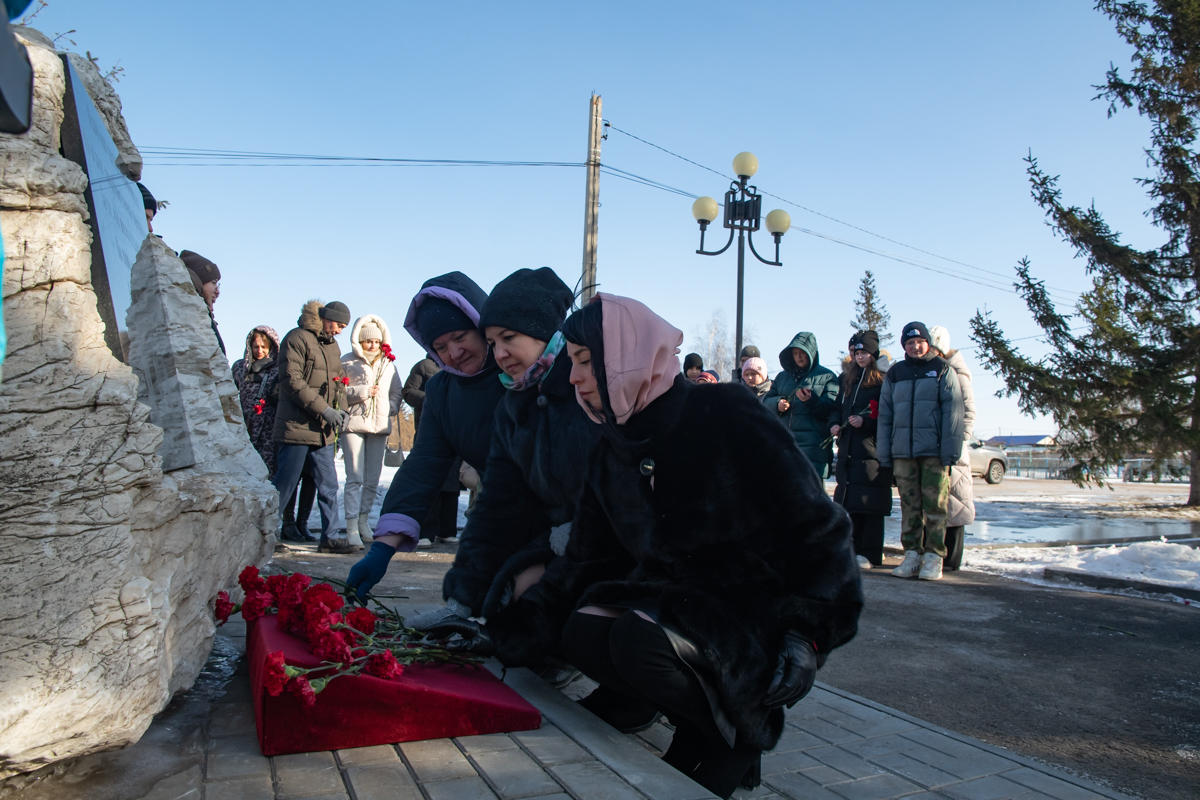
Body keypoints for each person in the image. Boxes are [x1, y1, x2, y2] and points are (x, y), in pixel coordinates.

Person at [429, 295, 862, 799]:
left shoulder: (724, 412)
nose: (573, 378)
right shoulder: (616, 445)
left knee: (640, 639)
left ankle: (739, 736)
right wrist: (501, 632)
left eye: (586, 361)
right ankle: (693, 721)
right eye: (572, 363)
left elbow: (819, 528)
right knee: (585, 628)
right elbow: (583, 561)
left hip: (758, 612)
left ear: (626, 356)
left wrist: (807, 634)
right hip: (683, 603)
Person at [345, 273, 505, 597]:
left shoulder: (517, 373)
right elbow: (424, 464)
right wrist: (382, 548)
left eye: (461, 336)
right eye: (440, 346)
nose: (454, 352)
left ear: (482, 326)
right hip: (499, 504)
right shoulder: (442, 392)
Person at [877, 322, 965, 581]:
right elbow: (886, 416)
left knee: (936, 505)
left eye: (919, 342)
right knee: (909, 505)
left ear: (928, 343)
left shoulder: (942, 370)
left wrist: (951, 451)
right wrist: (886, 454)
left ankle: (934, 556)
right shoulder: (895, 374)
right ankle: (912, 554)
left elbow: (954, 413)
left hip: (934, 452)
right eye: (909, 343)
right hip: (903, 452)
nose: (915, 347)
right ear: (904, 346)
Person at [272, 300, 354, 554]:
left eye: (343, 327)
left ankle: (330, 537)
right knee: (285, 485)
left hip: (323, 432)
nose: (339, 331)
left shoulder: (332, 347)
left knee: (329, 486)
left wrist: (342, 409)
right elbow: (292, 381)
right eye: (338, 324)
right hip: (296, 427)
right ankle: (264, 533)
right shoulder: (296, 338)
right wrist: (324, 409)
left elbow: (339, 383)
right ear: (326, 317)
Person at [828, 331, 892, 568]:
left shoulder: (883, 380)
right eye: (856, 352)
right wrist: (834, 424)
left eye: (864, 352)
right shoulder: (848, 379)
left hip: (872, 452)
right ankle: (853, 549)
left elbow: (888, 416)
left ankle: (871, 552)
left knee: (871, 503)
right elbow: (837, 408)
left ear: (873, 354)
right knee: (851, 502)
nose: (860, 357)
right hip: (850, 450)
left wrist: (867, 423)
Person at [341, 314, 403, 550]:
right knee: (354, 478)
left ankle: (364, 521)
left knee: (372, 480)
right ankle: (350, 527)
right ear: (360, 341)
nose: (372, 346)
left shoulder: (389, 364)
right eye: (368, 341)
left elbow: (396, 391)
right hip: (354, 424)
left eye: (376, 342)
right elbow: (340, 392)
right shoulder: (347, 361)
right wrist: (364, 391)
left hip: (378, 426)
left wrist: (391, 407)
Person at [930, 326, 975, 571]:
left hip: (954, 449)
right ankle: (935, 554)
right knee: (936, 503)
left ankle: (952, 560)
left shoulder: (958, 373)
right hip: (933, 446)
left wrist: (958, 441)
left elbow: (968, 412)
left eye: (937, 349)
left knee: (956, 503)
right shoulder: (933, 371)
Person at [761, 332, 839, 477]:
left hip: (813, 447)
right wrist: (777, 404)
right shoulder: (782, 377)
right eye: (795, 353)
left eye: (803, 352)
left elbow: (832, 408)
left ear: (812, 353)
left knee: (812, 496)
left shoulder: (827, 376)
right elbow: (766, 403)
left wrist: (811, 401)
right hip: (785, 445)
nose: (799, 356)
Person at [231, 325, 281, 477]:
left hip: (269, 429)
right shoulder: (240, 367)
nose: (259, 351)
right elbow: (231, 394)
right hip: (246, 426)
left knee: (268, 471)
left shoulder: (278, 368)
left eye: (263, 347)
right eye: (256, 346)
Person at [179, 250, 224, 356]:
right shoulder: (191, 313)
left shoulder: (200, 312)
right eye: (213, 283)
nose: (217, 291)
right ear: (199, 280)